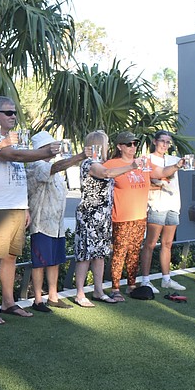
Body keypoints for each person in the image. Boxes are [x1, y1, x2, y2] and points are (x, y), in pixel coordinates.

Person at [0, 97, 60, 324]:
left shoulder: (15, 138)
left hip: (15, 206)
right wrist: (45, 153)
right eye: (8, 112)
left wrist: (24, 207)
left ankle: (8, 303)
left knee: (11, 256)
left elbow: (19, 169)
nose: (13, 116)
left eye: (14, 112)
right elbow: (12, 156)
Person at [104, 131, 180, 300]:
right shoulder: (112, 163)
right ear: (119, 146)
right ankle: (115, 288)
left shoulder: (143, 163)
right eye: (128, 144)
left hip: (140, 215)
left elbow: (160, 172)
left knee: (134, 252)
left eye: (135, 144)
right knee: (119, 252)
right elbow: (104, 177)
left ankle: (132, 285)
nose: (133, 147)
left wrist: (177, 165)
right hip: (122, 216)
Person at [137, 131, 195, 292]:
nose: (165, 145)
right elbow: (146, 182)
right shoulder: (147, 159)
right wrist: (159, 182)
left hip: (173, 206)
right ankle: (145, 280)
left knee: (167, 244)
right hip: (155, 205)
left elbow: (192, 163)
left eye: (168, 142)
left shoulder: (173, 159)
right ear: (154, 142)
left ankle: (166, 278)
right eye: (162, 141)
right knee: (150, 244)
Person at [73, 131, 137, 305]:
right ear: (98, 144)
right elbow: (107, 174)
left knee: (100, 254)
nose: (108, 147)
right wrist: (132, 166)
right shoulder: (89, 164)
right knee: (85, 254)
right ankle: (80, 293)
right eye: (106, 143)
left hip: (102, 217)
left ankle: (98, 290)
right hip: (89, 215)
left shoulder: (99, 163)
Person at [25, 131, 88, 310]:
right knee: (40, 262)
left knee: (54, 260)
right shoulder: (36, 165)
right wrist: (81, 156)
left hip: (56, 223)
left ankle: (53, 295)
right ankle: (38, 299)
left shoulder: (49, 165)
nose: (54, 149)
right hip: (41, 222)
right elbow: (56, 167)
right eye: (50, 146)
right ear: (41, 148)